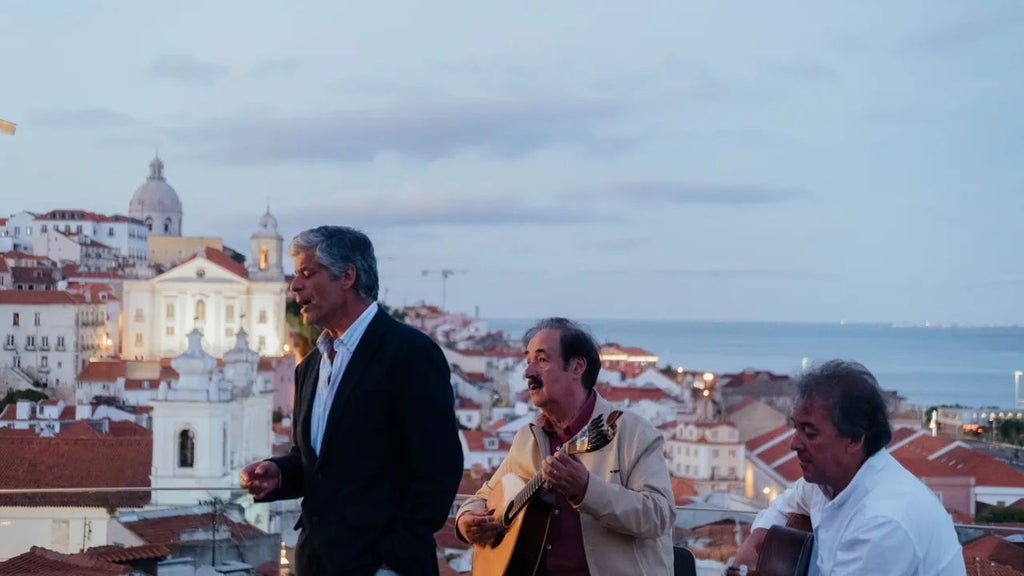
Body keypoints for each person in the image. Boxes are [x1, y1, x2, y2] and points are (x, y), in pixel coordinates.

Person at [240, 225, 464, 576]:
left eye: (306, 273)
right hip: (317, 563)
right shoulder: (311, 365)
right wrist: (281, 474)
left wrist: (391, 559)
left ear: (347, 276)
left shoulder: (410, 353)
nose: (293, 286)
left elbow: (439, 468)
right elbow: (319, 462)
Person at [456, 317, 675, 576]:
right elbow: (483, 497)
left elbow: (659, 516)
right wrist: (466, 520)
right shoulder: (528, 439)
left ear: (577, 367)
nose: (528, 372)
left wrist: (586, 490)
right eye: (528, 361)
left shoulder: (632, 432)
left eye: (542, 360)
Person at [733, 360, 965, 576]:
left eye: (810, 433)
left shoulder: (883, 522)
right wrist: (758, 537)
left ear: (854, 439)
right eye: (796, 428)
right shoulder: (827, 481)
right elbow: (788, 502)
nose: (794, 444)